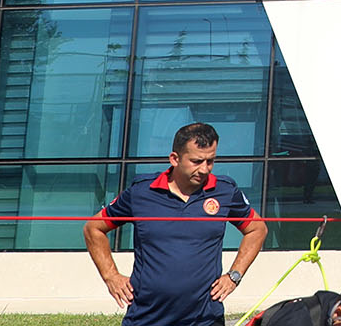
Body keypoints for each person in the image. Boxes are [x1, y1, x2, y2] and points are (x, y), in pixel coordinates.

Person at [85, 121, 269, 326]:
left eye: (210, 161)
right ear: (175, 158)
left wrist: (234, 275)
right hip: (146, 317)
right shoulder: (141, 192)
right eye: (197, 161)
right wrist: (111, 276)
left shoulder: (225, 191)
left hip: (205, 319)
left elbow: (257, 229)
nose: (205, 169)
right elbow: (94, 228)